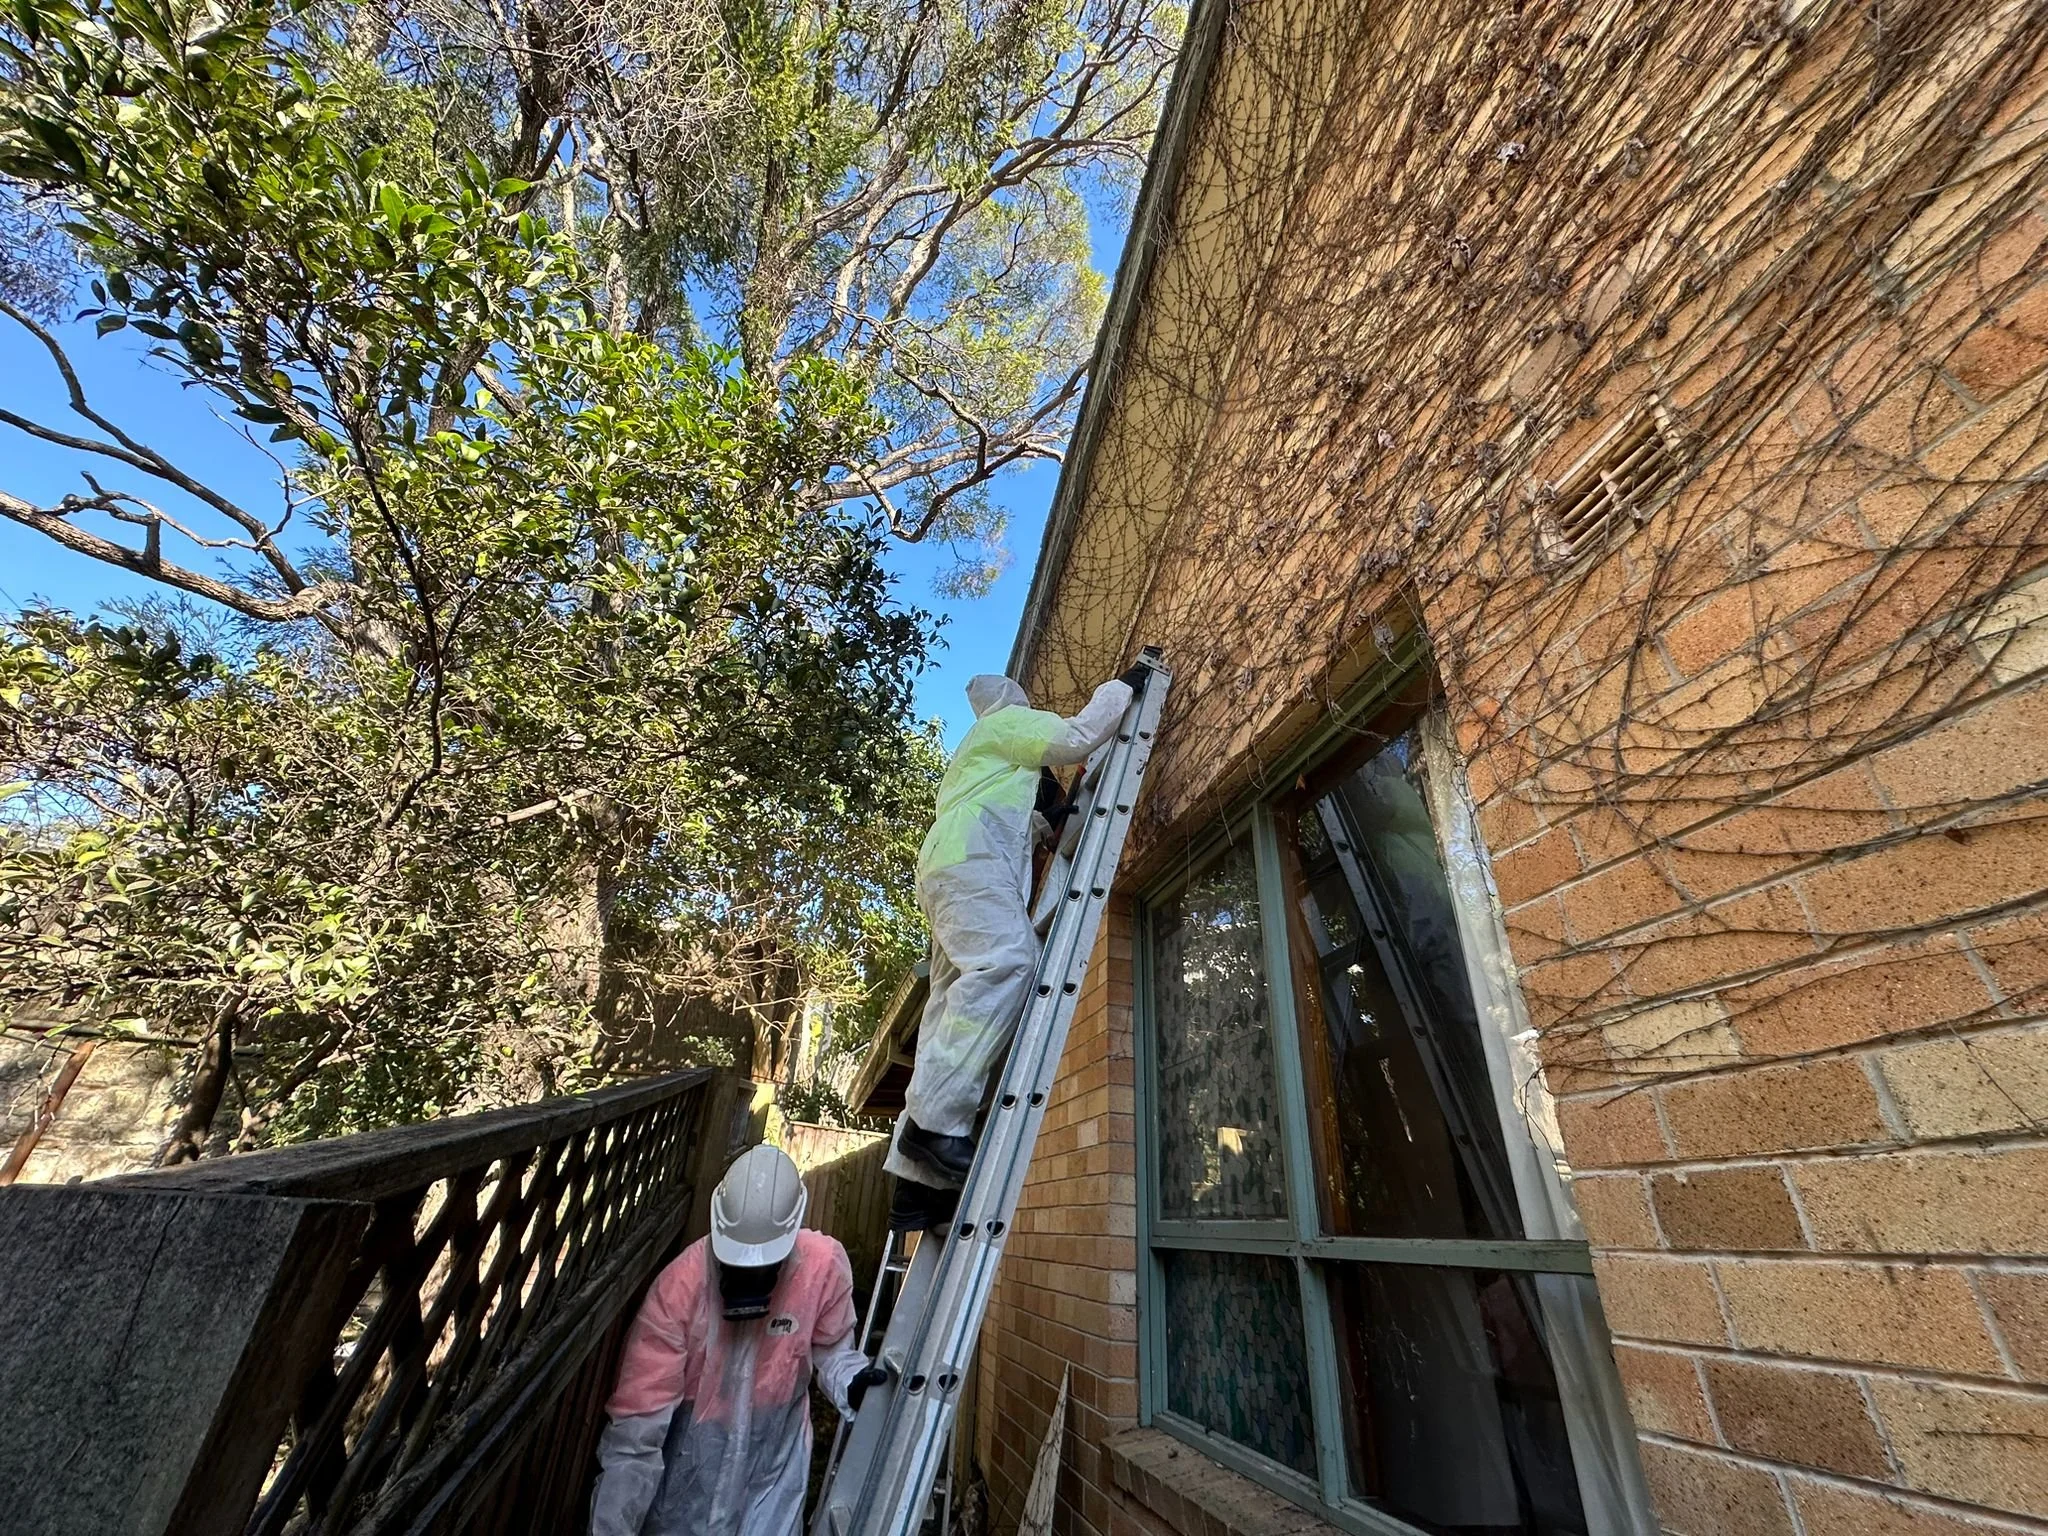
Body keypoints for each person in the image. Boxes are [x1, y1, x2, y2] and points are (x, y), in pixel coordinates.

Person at [889, 664, 1149, 1187]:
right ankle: (935, 1124)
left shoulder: (970, 759)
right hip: (971, 865)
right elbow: (1077, 736)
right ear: (1016, 703)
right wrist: (1122, 685)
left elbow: (1005, 816)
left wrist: (1045, 824)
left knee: (947, 1000)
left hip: (944, 868)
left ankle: (915, 1184)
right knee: (1008, 961)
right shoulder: (1008, 723)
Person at [588, 1144, 889, 1536]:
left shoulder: (820, 1268)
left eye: (763, 1267)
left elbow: (830, 1349)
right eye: (738, 1265)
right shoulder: (680, 1287)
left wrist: (852, 1381)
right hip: (686, 1495)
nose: (750, 1276)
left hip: (771, 1483)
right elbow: (636, 1432)